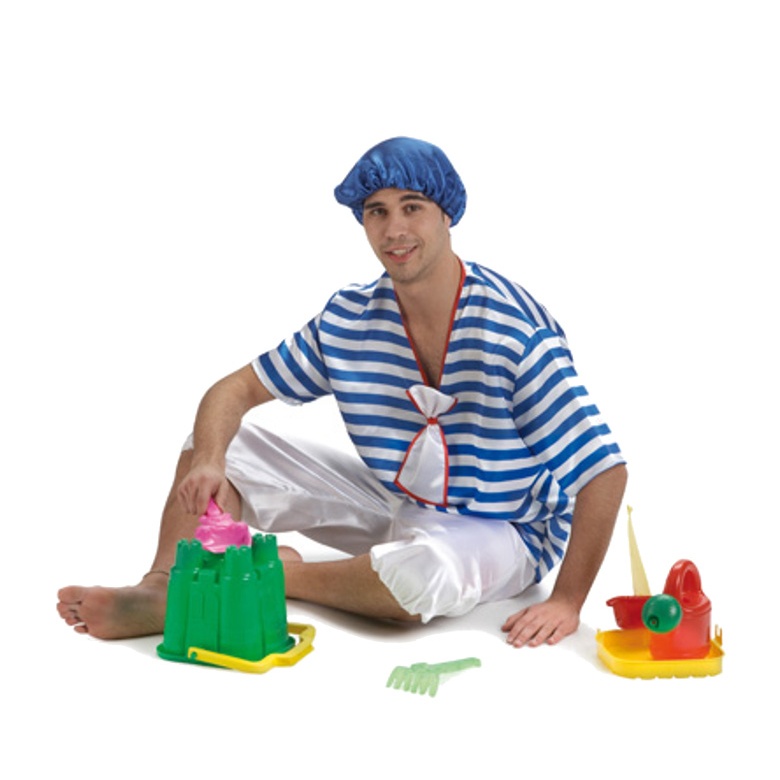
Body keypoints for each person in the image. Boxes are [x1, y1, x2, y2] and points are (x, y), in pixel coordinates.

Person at [57, 137, 627, 648]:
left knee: (418, 578)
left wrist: (567, 600)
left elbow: (604, 472)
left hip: (505, 529)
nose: (394, 230)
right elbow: (234, 389)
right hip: (396, 500)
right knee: (218, 445)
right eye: (377, 212)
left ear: (446, 213)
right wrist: (209, 457)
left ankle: (273, 576)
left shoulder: (511, 333)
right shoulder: (349, 318)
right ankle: (164, 586)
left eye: (412, 208)